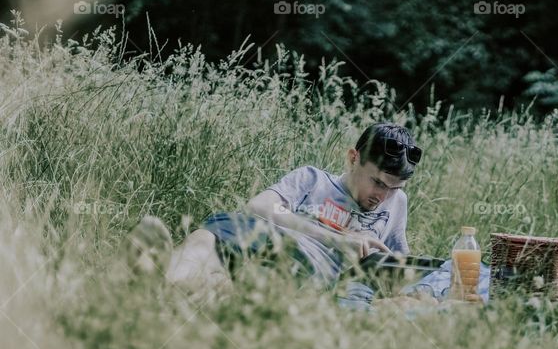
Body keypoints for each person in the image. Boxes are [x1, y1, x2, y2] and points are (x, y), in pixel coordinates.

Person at [126, 122, 421, 299]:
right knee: (209, 237)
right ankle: (161, 276)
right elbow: (260, 206)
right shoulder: (312, 179)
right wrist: (336, 239)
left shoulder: (397, 203)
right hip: (266, 239)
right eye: (377, 182)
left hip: (305, 275)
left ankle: (154, 277)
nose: (383, 196)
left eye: (394, 187)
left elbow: (402, 265)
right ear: (353, 158)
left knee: (226, 283)